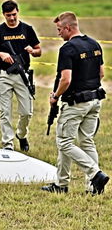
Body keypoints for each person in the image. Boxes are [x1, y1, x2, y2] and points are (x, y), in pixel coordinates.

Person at [42, 12, 109, 195]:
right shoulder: (94, 44)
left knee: (64, 142)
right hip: (95, 100)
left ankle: (95, 175)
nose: (58, 34)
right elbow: (101, 73)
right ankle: (65, 185)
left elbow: (65, 80)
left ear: (68, 28)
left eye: (59, 30)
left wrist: (55, 96)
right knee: (86, 142)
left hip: (76, 103)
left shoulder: (68, 48)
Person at [0, 0, 41, 151]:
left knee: (27, 112)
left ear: (18, 12)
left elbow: (39, 50)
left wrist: (32, 51)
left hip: (23, 76)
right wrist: (0, 54)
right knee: (5, 112)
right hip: (4, 76)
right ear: (3, 14)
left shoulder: (27, 29)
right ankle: (8, 145)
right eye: (8, 15)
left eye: (14, 14)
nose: (12, 18)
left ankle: (21, 135)